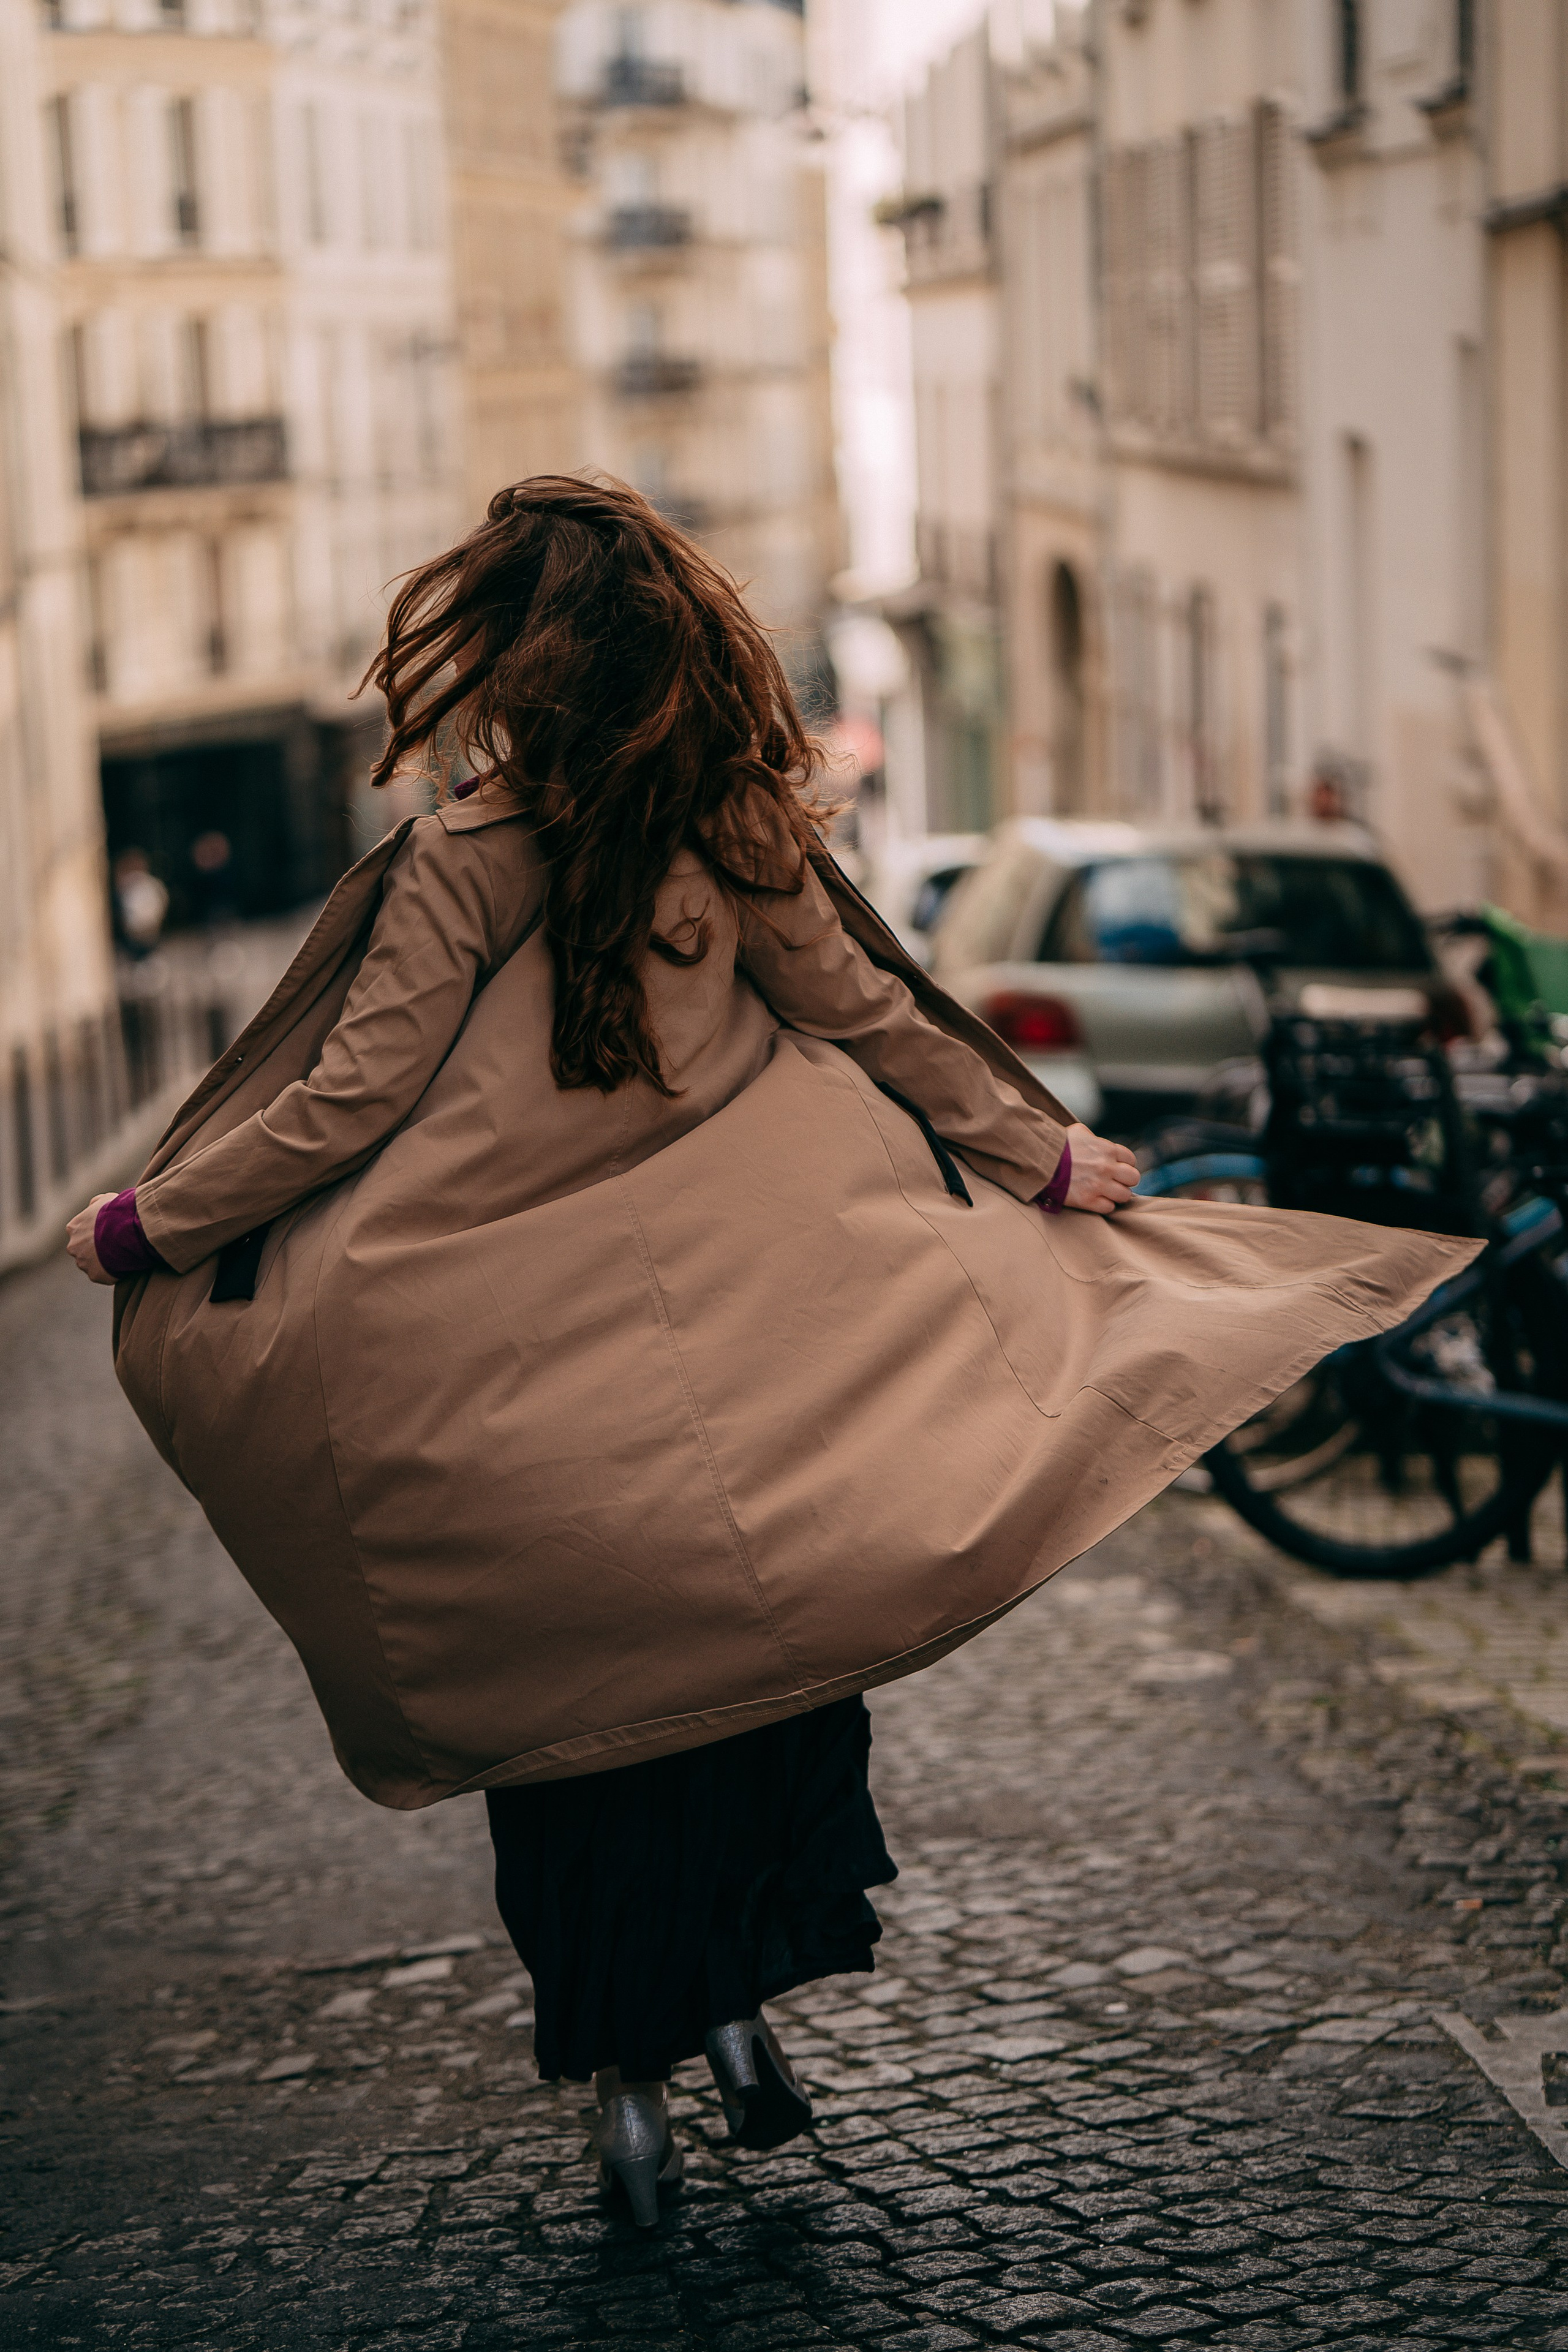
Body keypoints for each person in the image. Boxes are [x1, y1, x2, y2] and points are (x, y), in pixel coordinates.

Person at [67, 478, 1476, 2228]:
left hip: (528, 1432)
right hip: (738, 1390)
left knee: (577, 1757)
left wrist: (153, 1223)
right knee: (759, 1694)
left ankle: (632, 2102)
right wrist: (1041, 1155)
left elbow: (349, 1102)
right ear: (678, 649)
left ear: (508, 662)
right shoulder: (736, 827)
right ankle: (738, 2012)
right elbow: (874, 1016)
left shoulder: (460, 859)